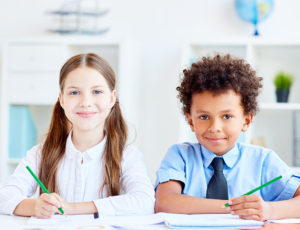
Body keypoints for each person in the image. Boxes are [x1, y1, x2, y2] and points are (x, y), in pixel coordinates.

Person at [0, 53, 154, 218]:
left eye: (96, 91)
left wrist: (73, 208)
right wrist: (34, 206)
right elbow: (4, 197)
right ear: (62, 100)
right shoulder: (42, 153)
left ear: (112, 98)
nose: (86, 102)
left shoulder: (127, 156)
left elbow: (145, 201)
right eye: (74, 93)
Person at [155, 54, 300, 221]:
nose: (214, 127)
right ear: (190, 121)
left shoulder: (263, 160)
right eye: (203, 117)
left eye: (226, 116)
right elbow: (165, 202)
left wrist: (269, 210)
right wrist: (234, 207)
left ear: (246, 121)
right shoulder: (180, 156)